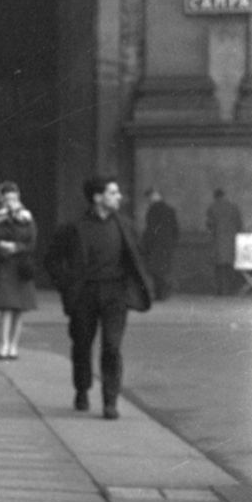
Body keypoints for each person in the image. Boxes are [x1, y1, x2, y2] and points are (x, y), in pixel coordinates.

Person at [44, 174, 152, 418]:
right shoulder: (74, 227)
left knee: (112, 347)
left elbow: (138, 256)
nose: (119, 197)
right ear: (97, 197)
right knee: (82, 345)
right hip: (84, 294)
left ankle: (110, 401)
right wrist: (66, 285)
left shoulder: (124, 225)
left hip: (115, 294)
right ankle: (82, 389)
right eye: (113, 193)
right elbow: (51, 260)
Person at [0, 180, 37, 358]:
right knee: (5, 307)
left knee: (19, 309)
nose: (11, 202)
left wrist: (16, 247)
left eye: (14, 198)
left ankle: (14, 346)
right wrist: (1, 247)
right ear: (1, 199)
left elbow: (32, 241)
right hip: (3, 265)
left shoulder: (27, 218)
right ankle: (4, 345)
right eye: (7, 198)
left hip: (20, 266)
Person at [141, 189, 180, 301]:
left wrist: (145, 243)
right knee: (164, 269)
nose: (149, 200)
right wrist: (173, 242)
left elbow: (150, 229)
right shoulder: (170, 209)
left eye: (150, 197)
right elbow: (176, 229)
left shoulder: (153, 210)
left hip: (155, 244)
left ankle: (160, 294)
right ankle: (163, 293)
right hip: (167, 244)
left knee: (156, 270)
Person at [206, 188, 245, 296]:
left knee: (219, 268)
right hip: (232, 241)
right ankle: (230, 290)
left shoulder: (212, 207)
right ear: (224, 195)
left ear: (215, 196)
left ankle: (221, 291)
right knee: (230, 266)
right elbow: (239, 224)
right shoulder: (234, 207)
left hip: (218, 241)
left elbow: (210, 225)